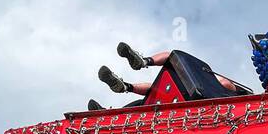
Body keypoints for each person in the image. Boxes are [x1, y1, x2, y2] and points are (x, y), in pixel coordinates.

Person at [96, 44, 243, 102]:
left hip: (197, 97)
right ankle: (127, 85)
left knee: (171, 58)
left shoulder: (229, 91)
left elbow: (226, 84)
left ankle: (142, 64)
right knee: (156, 88)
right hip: (178, 97)